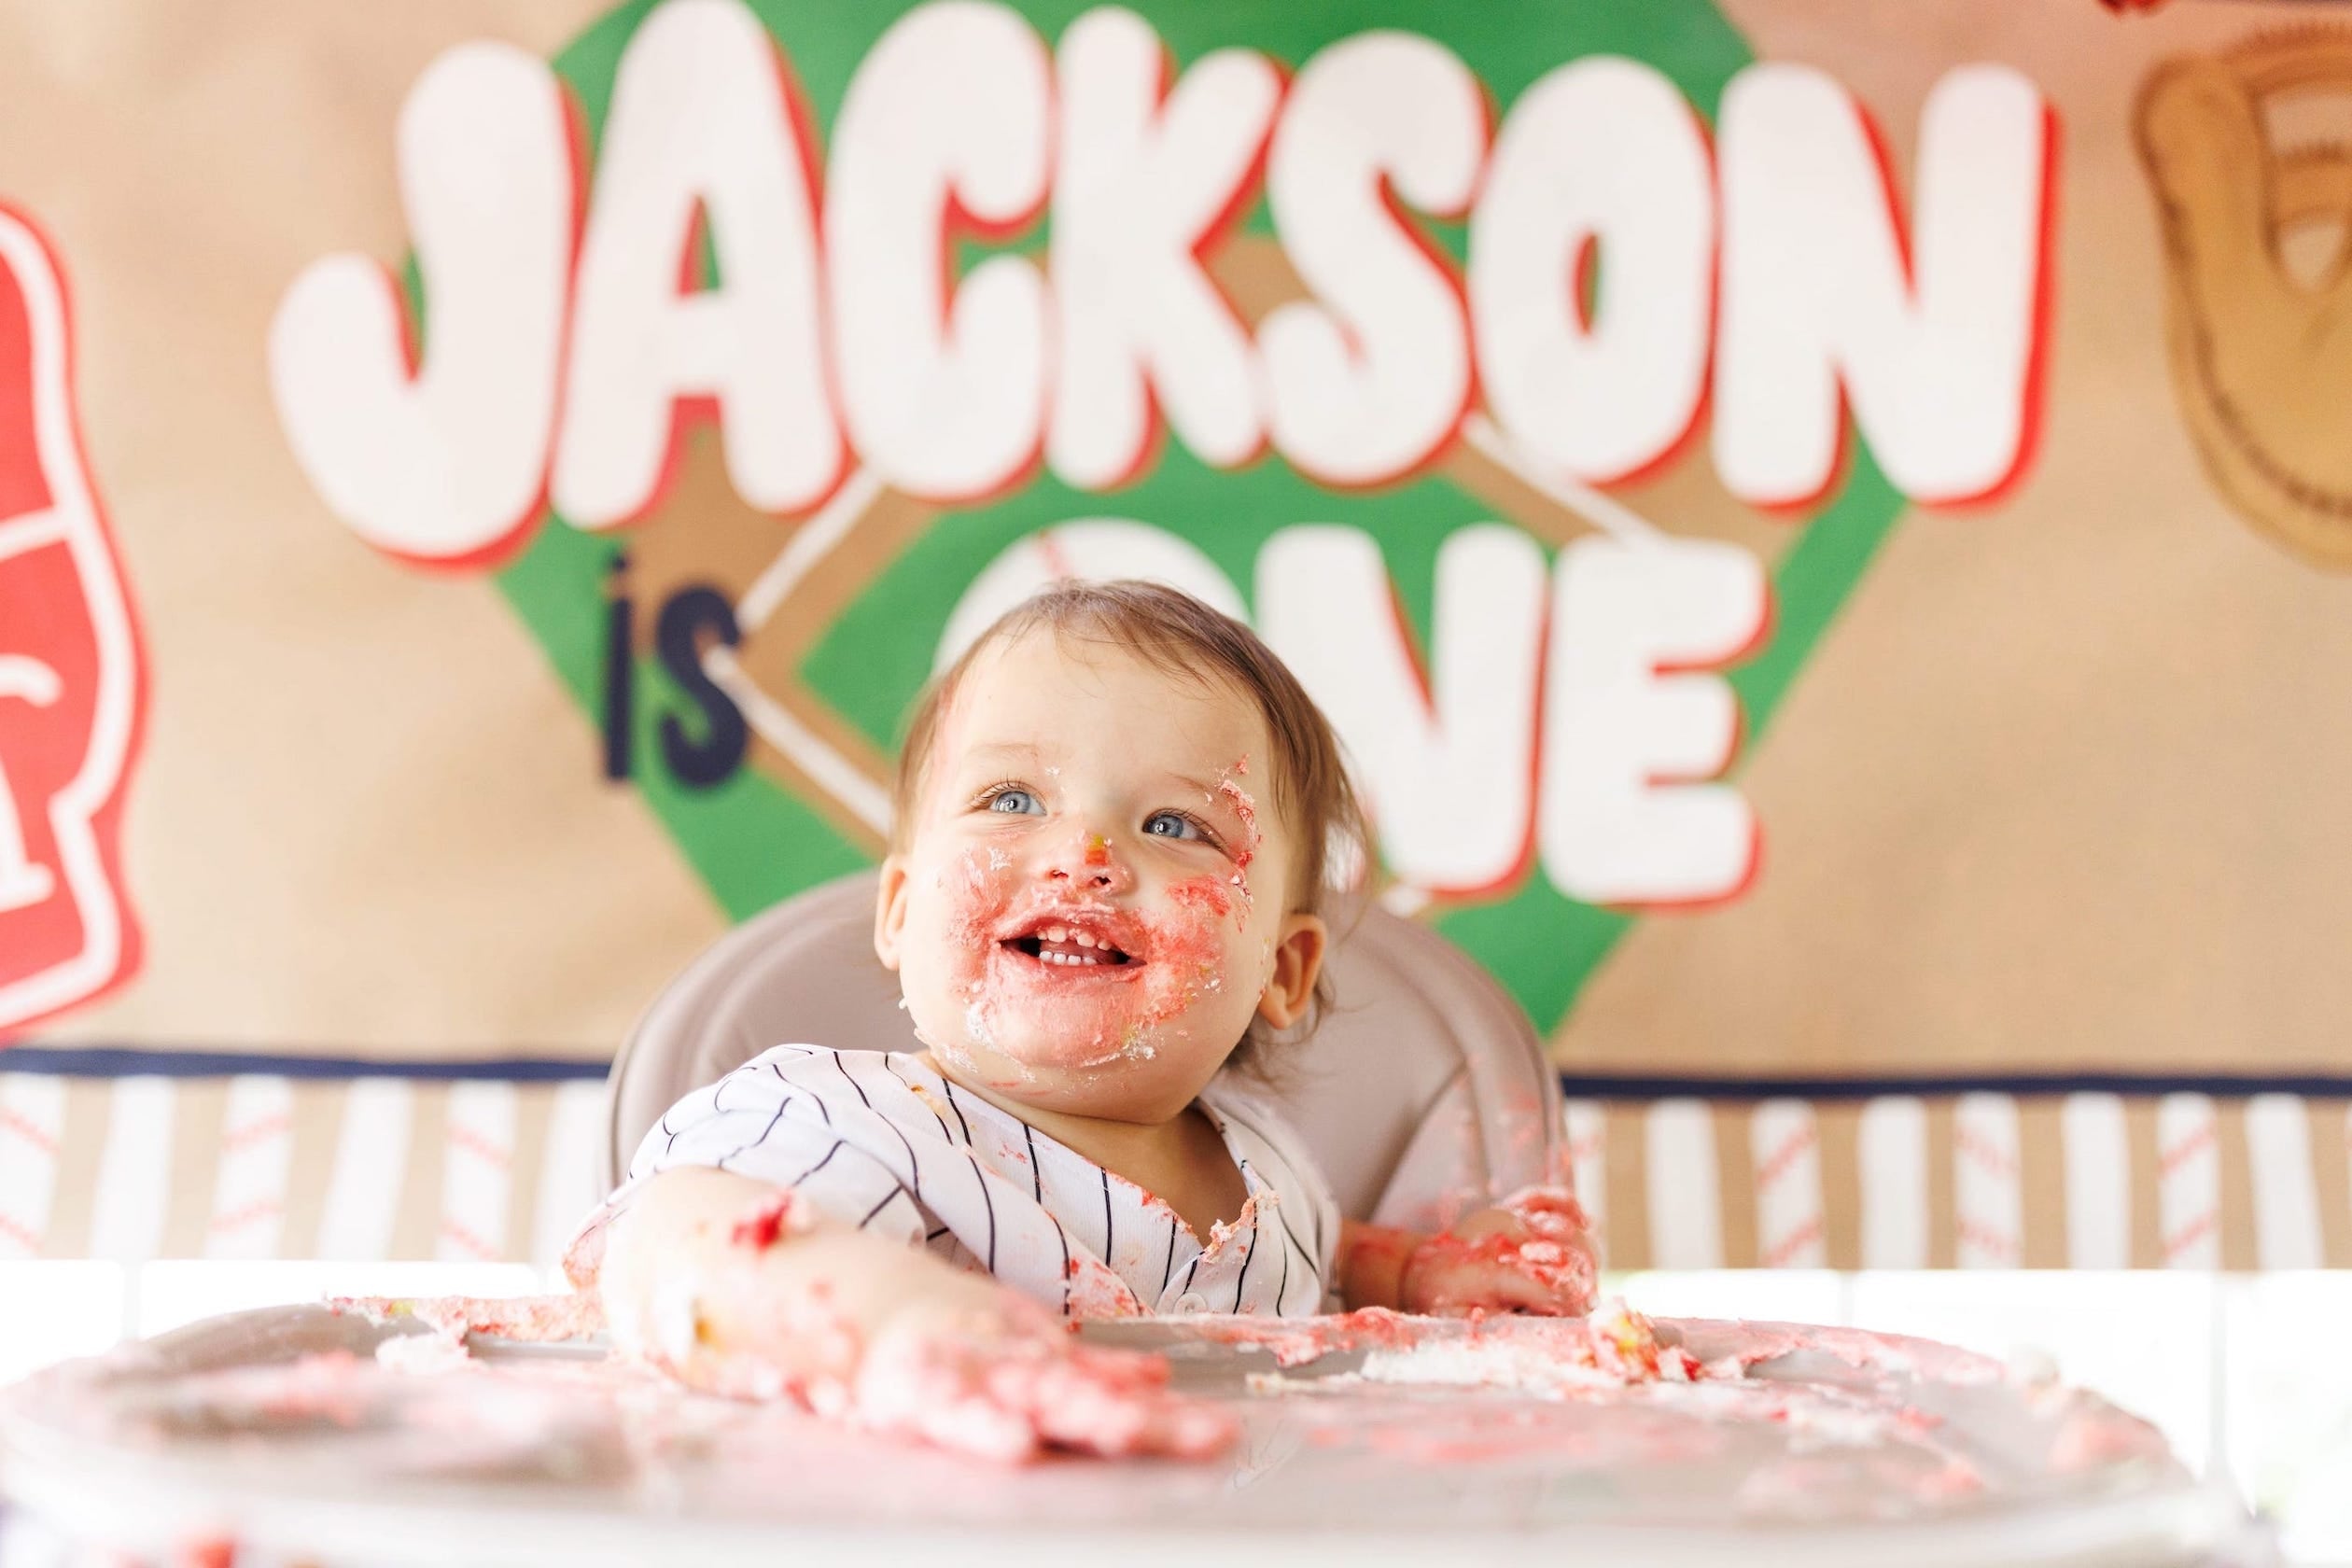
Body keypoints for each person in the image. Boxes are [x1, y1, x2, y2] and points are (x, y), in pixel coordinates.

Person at [572, 581, 1594, 1462]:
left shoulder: (1270, 1167)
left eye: (1174, 824)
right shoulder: (839, 1121)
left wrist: (1409, 1269)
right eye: (1013, 800)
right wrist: (899, 1329)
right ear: (900, 912)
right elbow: (679, 1241)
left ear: (1281, 971)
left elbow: (1317, 1259)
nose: (1087, 854)